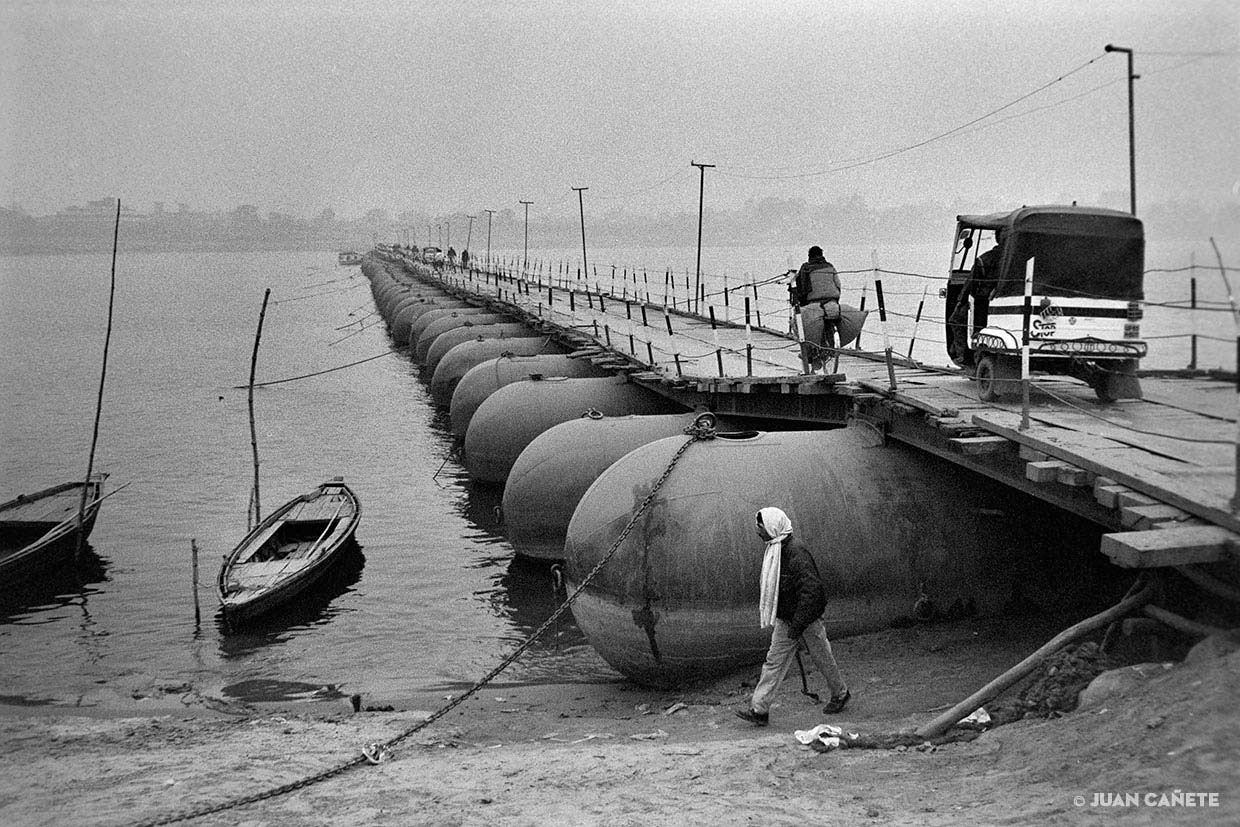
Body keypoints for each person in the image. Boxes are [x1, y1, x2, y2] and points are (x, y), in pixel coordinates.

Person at [736, 507, 850, 726]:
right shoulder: (776, 549)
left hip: (806, 620)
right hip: (787, 620)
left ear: (772, 526)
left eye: (760, 526)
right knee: (774, 662)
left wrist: (798, 624)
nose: (758, 531)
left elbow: (812, 591)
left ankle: (840, 694)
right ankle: (759, 710)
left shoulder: (796, 552)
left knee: (822, 658)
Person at [949, 229, 1006, 361]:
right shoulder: (1017, 260)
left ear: (997, 239)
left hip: (983, 302)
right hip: (1006, 300)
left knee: (956, 320)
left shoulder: (984, 259)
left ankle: (963, 355)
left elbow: (970, 285)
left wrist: (960, 301)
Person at [792, 246, 842, 365]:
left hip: (814, 301)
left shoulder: (806, 268)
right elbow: (838, 284)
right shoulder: (830, 266)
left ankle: (808, 351)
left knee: (800, 322)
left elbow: (801, 288)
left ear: (810, 256)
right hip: (832, 300)